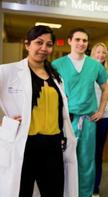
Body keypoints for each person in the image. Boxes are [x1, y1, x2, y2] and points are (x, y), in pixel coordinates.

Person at [0, 25, 78, 197]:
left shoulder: (55, 76)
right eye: (38, 43)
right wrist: (4, 123)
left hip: (53, 145)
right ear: (27, 45)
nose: (44, 48)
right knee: (22, 192)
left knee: (54, 192)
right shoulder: (8, 71)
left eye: (49, 44)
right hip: (25, 144)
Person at [52, 27, 108, 197]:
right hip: (65, 120)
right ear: (69, 41)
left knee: (86, 161)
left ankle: (84, 194)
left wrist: (100, 110)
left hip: (88, 120)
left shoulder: (94, 65)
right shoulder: (58, 65)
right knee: (63, 160)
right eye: (77, 39)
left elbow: (105, 88)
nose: (81, 43)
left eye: (84, 40)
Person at [90, 42, 108, 197]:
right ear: (93, 54)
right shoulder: (87, 71)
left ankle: (95, 187)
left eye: (104, 53)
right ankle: (82, 184)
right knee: (85, 153)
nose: (101, 55)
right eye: (98, 52)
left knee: (97, 153)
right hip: (88, 117)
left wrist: (100, 111)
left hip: (104, 116)